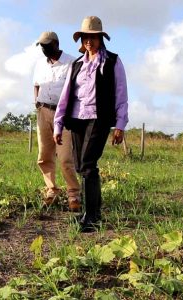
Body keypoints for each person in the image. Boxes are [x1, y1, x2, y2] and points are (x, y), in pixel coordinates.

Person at [54, 16, 129, 232]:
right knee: (81, 166)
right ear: (82, 39)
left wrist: (120, 125)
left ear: (100, 39)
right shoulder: (76, 64)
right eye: (86, 36)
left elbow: (121, 94)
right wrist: (58, 124)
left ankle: (91, 216)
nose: (89, 41)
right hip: (77, 119)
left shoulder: (112, 61)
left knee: (87, 164)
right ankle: (93, 212)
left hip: (99, 118)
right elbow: (66, 96)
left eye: (94, 37)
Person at [33, 31, 81, 211]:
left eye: (47, 46)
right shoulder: (40, 64)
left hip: (65, 115)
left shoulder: (72, 62)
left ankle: (73, 194)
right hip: (44, 111)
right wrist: (37, 104)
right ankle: (51, 190)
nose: (44, 49)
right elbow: (36, 85)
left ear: (56, 44)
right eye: (42, 46)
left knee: (65, 158)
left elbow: (78, 89)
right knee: (44, 155)